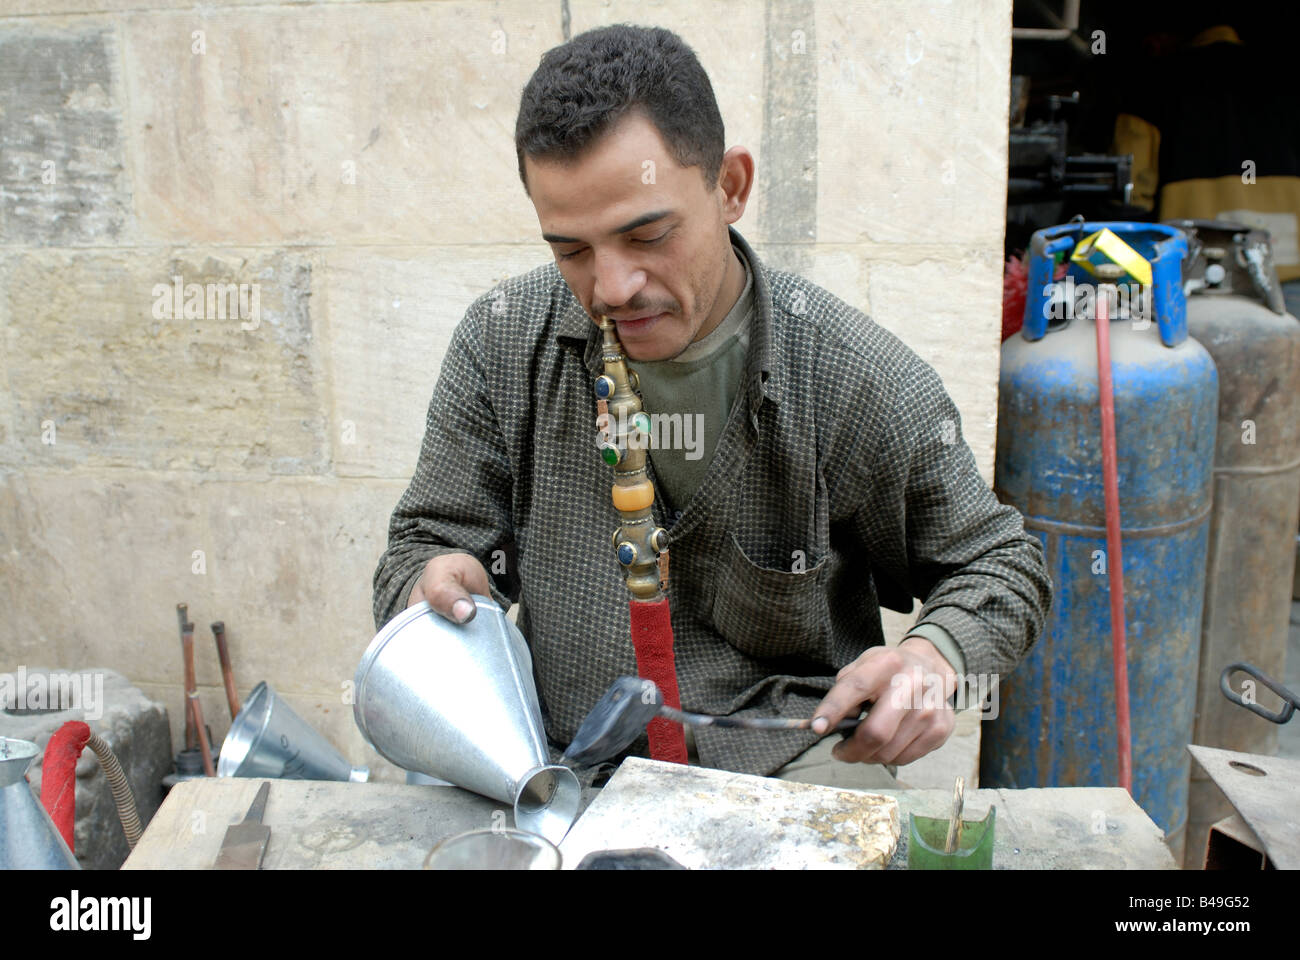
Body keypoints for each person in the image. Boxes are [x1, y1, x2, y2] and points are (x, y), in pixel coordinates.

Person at [372, 24, 1052, 787]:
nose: (612, 287)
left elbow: (999, 563)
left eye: (648, 234)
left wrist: (934, 657)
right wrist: (435, 577)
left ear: (730, 186)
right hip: (557, 754)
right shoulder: (502, 344)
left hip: (783, 756)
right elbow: (420, 543)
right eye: (571, 250)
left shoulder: (850, 374)